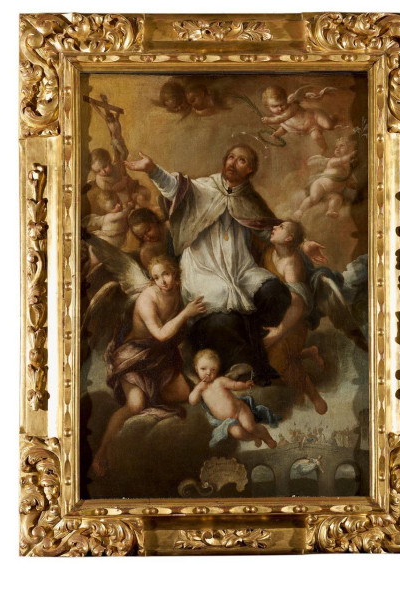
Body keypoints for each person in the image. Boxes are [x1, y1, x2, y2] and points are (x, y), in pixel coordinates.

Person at [124, 144, 294, 385]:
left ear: (250, 170)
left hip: (241, 270)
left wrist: (299, 243)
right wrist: (152, 170)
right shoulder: (203, 188)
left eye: (241, 160)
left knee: (276, 293)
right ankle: (248, 365)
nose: (233, 163)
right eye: (231, 157)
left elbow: (269, 230)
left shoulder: (249, 199)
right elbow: (173, 187)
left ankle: (252, 336)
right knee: (221, 319)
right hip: (203, 273)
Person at [92, 255, 206, 476]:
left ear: (174, 273)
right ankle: (102, 452)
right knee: (135, 405)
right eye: (156, 277)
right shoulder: (147, 299)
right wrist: (186, 313)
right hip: (134, 357)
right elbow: (161, 334)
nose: (162, 281)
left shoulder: (180, 290)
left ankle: (151, 394)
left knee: (183, 393)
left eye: (166, 274)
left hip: (159, 356)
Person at [262, 220, 328, 415]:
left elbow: (297, 306)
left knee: (278, 360)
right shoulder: (271, 251)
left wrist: (278, 332)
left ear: (288, 239)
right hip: (274, 316)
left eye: (281, 227)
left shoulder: (291, 265)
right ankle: (308, 353)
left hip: (292, 324)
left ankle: (313, 395)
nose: (274, 227)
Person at [189, 349, 279, 448]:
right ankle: (254, 438)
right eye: (203, 369)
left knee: (250, 427)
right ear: (196, 369)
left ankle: (268, 438)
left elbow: (234, 385)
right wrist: (197, 389)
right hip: (227, 421)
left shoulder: (220, 381)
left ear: (217, 369)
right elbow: (192, 401)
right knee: (238, 434)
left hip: (239, 410)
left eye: (213, 369)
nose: (208, 373)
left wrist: (245, 385)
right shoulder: (200, 390)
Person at [294, 136, 358, 219]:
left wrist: (353, 185)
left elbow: (349, 179)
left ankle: (331, 211)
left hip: (332, 191)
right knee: (314, 198)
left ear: (350, 149)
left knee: (337, 198)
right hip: (320, 185)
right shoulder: (333, 161)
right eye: (336, 147)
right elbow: (342, 160)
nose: (337, 149)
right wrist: (351, 156)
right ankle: (300, 210)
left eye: (342, 146)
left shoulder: (349, 168)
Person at [261, 85, 335, 153]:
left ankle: (333, 119)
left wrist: (269, 120)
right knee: (316, 137)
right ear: (268, 106)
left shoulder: (292, 107)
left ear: (285, 100)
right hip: (311, 128)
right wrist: (277, 134)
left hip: (315, 117)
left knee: (329, 126)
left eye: (282, 104)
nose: (280, 108)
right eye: (275, 106)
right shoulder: (277, 115)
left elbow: (283, 118)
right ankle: (324, 148)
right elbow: (285, 127)